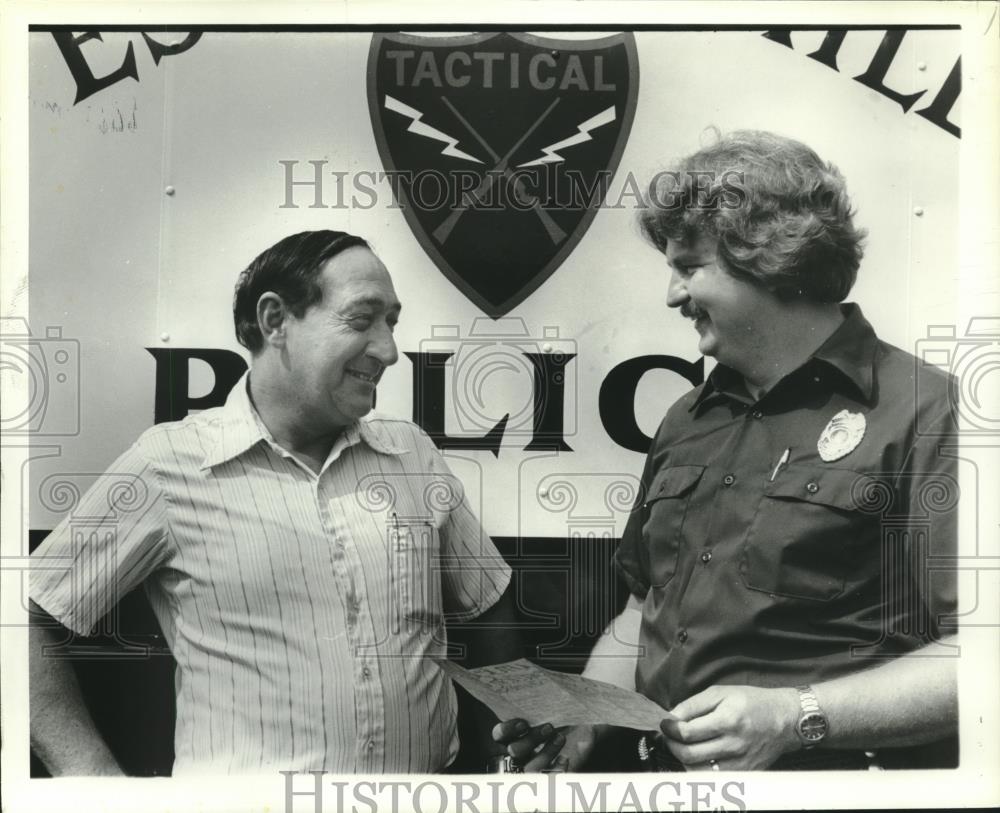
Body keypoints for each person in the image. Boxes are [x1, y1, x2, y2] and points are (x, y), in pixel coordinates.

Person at [495, 130, 959, 771]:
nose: (673, 296)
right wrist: (584, 724)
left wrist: (792, 719)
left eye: (689, 268)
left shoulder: (927, 412)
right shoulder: (687, 418)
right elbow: (641, 611)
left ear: (770, 259)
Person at [29, 229, 520, 775]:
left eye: (392, 324)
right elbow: (24, 617)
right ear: (275, 321)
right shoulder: (170, 465)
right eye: (362, 320)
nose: (388, 350)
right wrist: (89, 776)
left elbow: (489, 601)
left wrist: (508, 739)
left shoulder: (412, 453)